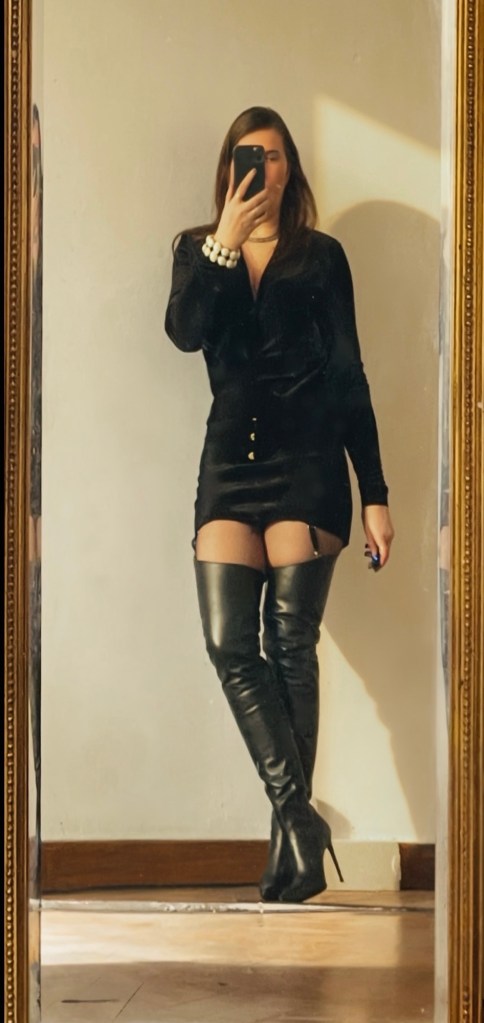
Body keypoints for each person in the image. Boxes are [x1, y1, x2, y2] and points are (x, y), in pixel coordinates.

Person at [165, 106, 394, 903]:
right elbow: (185, 331)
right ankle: (301, 820)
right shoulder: (196, 249)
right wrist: (224, 242)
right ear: (228, 167)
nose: (259, 166)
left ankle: (289, 845)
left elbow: (349, 374)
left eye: (271, 154)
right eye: (245, 154)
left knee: (290, 645)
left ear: (290, 166)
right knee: (229, 643)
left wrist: (376, 493)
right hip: (229, 465)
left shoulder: (321, 257)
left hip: (309, 464)